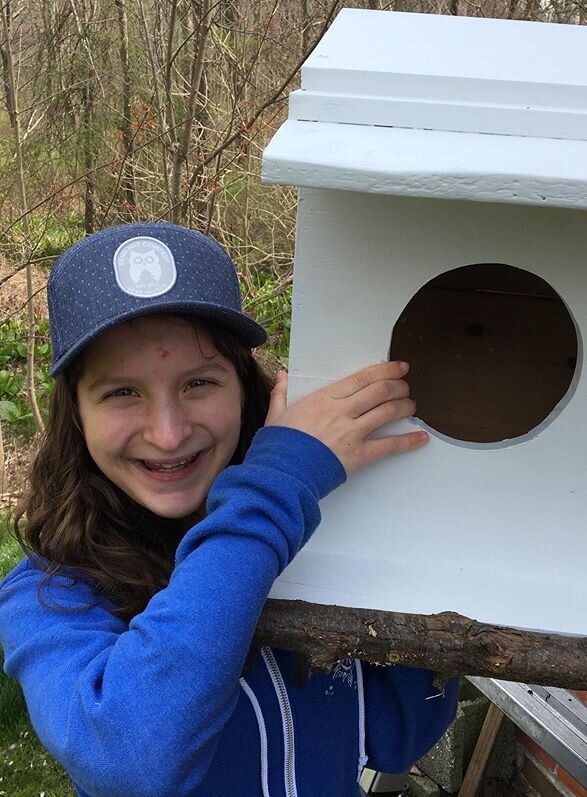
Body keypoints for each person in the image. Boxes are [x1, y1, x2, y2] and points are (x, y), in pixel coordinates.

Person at [0, 222, 457, 797]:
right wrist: (275, 488)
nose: (168, 434)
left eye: (198, 382)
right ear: (77, 415)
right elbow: (128, 761)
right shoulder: (49, 597)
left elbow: (395, 736)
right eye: (121, 392)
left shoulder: (308, 542)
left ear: (245, 389)